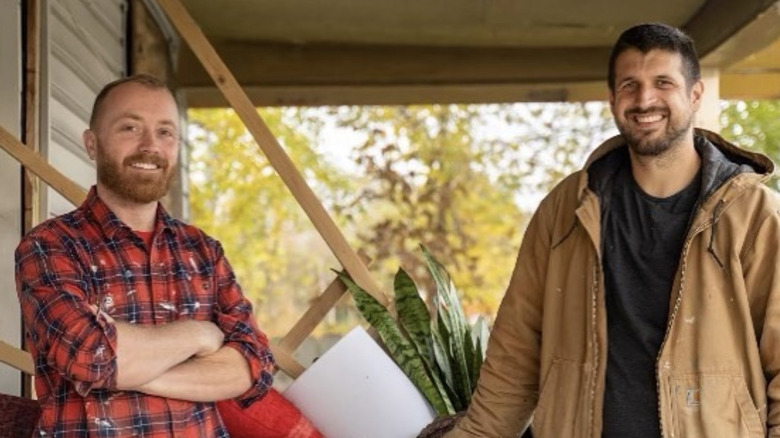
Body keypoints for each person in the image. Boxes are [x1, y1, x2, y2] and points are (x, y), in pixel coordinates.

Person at [446, 22, 780, 438]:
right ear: (611, 98)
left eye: (663, 82)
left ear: (695, 95)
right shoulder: (566, 209)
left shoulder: (752, 214)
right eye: (629, 85)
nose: (644, 99)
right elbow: (515, 353)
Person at [15, 74, 275, 437]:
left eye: (165, 132)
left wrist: (130, 368)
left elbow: (253, 367)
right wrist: (199, 335)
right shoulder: (50, 246)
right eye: (130, 128)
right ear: (92, 144)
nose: (151, 145)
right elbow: (91, 357)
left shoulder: (204, 251)